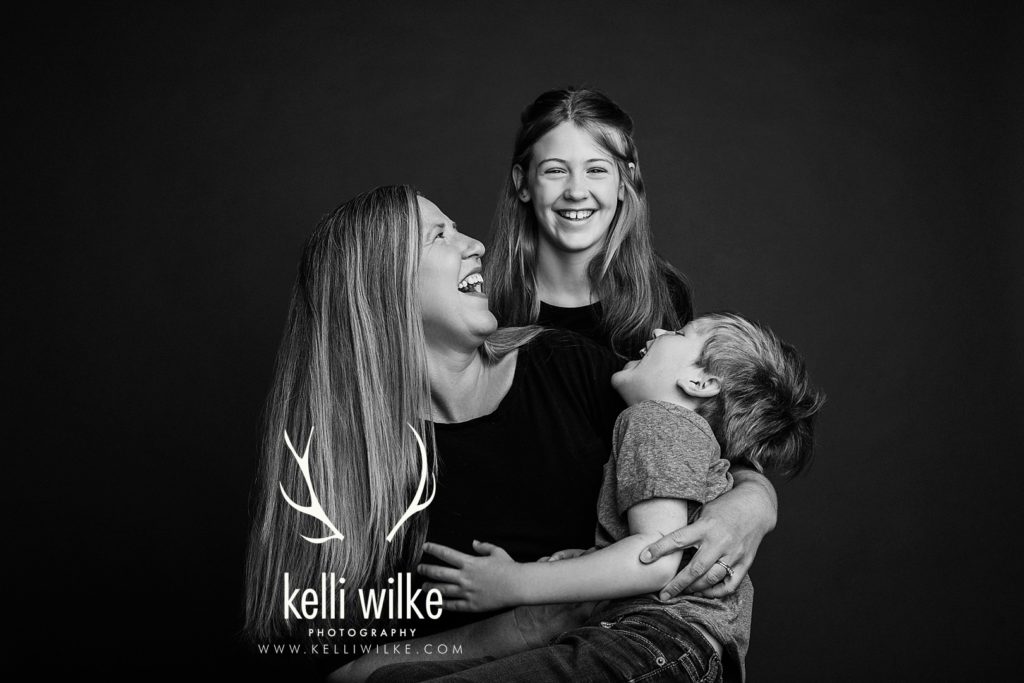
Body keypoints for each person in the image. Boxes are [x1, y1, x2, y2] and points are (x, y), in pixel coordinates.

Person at [388, 313, 825, 682]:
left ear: (700, 381)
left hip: (652, 642)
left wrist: (511, 582)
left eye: (677, 334)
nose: (655, 334)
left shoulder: (656, 420)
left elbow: (655, 559)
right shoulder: (685, 438)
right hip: (668, 649)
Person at [486, 87, 779, 602]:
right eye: (556, 170)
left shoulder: (660, 298)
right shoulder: (479, 299)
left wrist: (757, 497)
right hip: (501, 568)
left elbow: (703, 426)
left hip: (621, 579)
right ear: (523, 183)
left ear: (626, 182)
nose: (577, 191)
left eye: (597, 169)